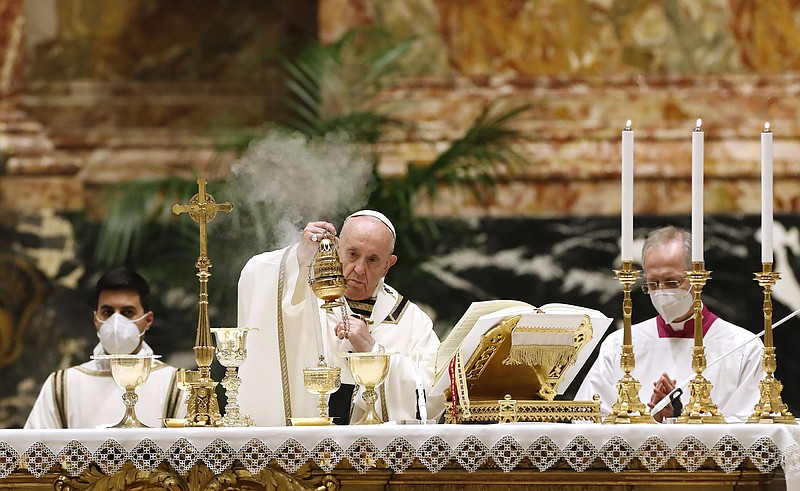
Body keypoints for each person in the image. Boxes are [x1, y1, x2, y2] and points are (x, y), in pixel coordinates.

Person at [237, 210, 444, 426]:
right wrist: (299, 256)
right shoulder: (305, 297)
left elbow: (431, 395)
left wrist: (372, 350)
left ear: (388, 265)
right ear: (337, 249)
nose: (359, 269)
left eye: (372, 260)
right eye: (352, 254)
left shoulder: (410, 320)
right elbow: (257, 276)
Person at [576, 226, 763, 422]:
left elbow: (753, 428)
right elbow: (586, 421)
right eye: (653, 284)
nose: (662, 292)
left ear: (698, 278)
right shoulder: (619, 345)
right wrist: (649, 419)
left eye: (672, 282)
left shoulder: (743, 347)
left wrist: (680, 418)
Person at [25, 268, 185, 428]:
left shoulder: (176, 384)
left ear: (148, 320)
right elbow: (33, 448)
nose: (116, 323)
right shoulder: (62, 385)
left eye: (127, 312)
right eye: (107, 312)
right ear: (96, 319)